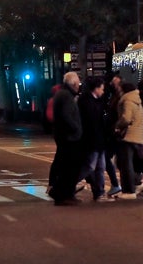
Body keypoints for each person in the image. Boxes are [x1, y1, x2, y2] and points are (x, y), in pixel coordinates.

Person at [49, 71, 83, 206]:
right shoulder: (66, 96)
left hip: (63, 135)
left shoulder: (61, 94)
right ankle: (63, 193)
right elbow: (67, 116)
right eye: (78, 83)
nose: (79, 86)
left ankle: (61, 192)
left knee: (65, 165)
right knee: (70, 167)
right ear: (74, 83)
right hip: (69, 137)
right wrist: (76, 129)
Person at [77, 76, 112, 202]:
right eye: (101, 89)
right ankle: (69, 184)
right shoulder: (86, 102)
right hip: (92, 140)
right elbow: (91, 122)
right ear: (96, 89)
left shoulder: (97, 101)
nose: (103, 91)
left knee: (100, 168)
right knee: (90, 166)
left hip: (99, 140)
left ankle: (99, 193)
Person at [115, 79, 143, 200]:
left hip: (128, 135)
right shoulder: (137, 100)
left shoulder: (127, 100)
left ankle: (128, 190)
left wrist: (117, 126)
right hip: (137, 135)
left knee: (125, 164)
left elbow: (126, 118)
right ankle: (135, 185)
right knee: (132, 163)